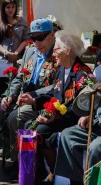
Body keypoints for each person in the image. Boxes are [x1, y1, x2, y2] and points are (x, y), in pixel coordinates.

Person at [16, 30, 92, 183]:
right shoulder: (62, 69)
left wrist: (53, 116)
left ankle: (53, 172)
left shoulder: (82, 73)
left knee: (40, 132)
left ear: (68, 50)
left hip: (73, 119)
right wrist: (34, 100)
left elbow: (81, 106)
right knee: (28, 126)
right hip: (58, 116)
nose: (54, 53)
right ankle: (34, 173)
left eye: (57, 49)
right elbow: (54, 94)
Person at [0, 18, 58, 179]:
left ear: (52, 35)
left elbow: (58, 85)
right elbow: (20, 77)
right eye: (33, 37)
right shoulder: (30, 50)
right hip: (23, 95)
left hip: (43, 99)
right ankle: (13, 153)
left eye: (41, 37)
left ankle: (23, 162)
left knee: (16, 117)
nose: (36, 42)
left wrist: (34, 96)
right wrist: (9, 96)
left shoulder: (58, 51)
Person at [55, 83, 101, 185]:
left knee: (96, 147)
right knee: (68, 135)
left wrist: (94, 121)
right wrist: (89, 116)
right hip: (98, 126)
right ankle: (76, 181)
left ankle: (93, 182)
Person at [0, 0, 29, 97]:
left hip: (18, 60)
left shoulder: (22, 21)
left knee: (16, 89)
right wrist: (7, 53)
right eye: (8, 7)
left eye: (13, 7)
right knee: (1, 90)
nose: (11, 10)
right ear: (3, 8)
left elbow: (26, 40)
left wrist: (16, 53)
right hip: (2, 61)